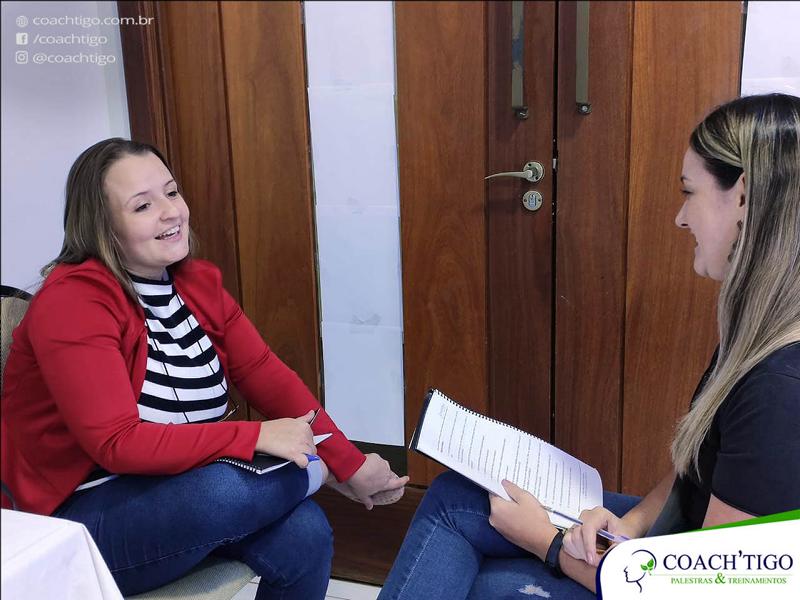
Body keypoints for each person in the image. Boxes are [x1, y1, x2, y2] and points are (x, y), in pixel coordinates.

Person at [377, 93, 800, 599]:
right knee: (457, 499)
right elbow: (701, 465)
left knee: (488, 585)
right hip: (677, 544)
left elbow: (714, 588)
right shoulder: (761, 333)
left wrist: (549, 544)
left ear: (744, 197)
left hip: (688, 582)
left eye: (690, 193)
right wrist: (631, 524)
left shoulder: (779, 389)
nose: (680, 218)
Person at [0, 138, 409, 599]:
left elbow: (266, 375)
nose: (170, 212)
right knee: (229, 492)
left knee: (305, 531)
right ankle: (313, 473)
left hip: (169, 491)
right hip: (74, 522)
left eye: (171, 192)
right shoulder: (73, 302)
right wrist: (296, 452)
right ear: (102, 228)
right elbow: (117, 443)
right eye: (143, 206)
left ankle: (311, 472)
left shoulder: (197, 283)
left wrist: (350, 462)